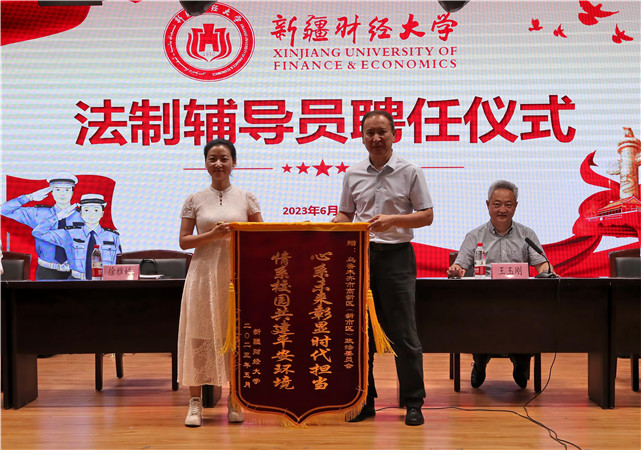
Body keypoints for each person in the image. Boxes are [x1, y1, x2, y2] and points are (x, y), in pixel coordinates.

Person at [332, 110, 433, 426]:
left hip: (397, 257)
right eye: (369, 133)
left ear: (394, 135)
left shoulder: (410, 171)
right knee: (360, 333)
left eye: (381, 132)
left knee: (403, 333)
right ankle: (364, 402)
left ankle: (413, 402)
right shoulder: (353, 173)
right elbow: (346, 214)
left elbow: (427, 215)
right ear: (362, 137)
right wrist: (331, 225)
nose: (376, 138)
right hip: (360, 258)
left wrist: (394, 220)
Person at [178, 138, 263, 427]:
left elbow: (261, 236)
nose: (218, 164)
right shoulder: (194, 199)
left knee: (236, 337)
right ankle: (195, 403)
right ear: (205, 163)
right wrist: (213, 235)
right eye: (212, 158)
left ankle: (235, 399)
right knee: (199, 336)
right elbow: (184, 242)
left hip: (236, 276)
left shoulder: (246, 197)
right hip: (202, 276)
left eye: (224, 158)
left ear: (233, 163)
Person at [447, 179, 554, 389]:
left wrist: (547, 271)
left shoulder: (527, 235)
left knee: (533, 316)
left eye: (508, 204)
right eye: (497, 204)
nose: (502, 209)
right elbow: (460, 265)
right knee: (477, 315)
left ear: (515, 206)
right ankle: (480, 361)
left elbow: (542, 264)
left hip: (519, 303)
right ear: (488, 205)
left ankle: (521, 360)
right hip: (484, 302)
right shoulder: (475, 236)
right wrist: (456, 270)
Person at [1, 171, 82, 279]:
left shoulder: (84, 216)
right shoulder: (38, 213)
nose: (62, 194)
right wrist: (30, 197)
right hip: (47, 271)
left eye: (67, 190)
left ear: (72, 192)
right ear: (51, 192)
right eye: (57, 189)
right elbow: (4, 210)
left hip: (77, 272)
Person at [32, 193, 121, 279]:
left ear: (102, 213)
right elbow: (38, 232)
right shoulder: (69, 233)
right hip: (76, 281)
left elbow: (118, 263)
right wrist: (57, 217)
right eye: (86, 210)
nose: (91, 214)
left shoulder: (112, 236)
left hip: (104, 282)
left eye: (96, 210)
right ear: (81, 213)